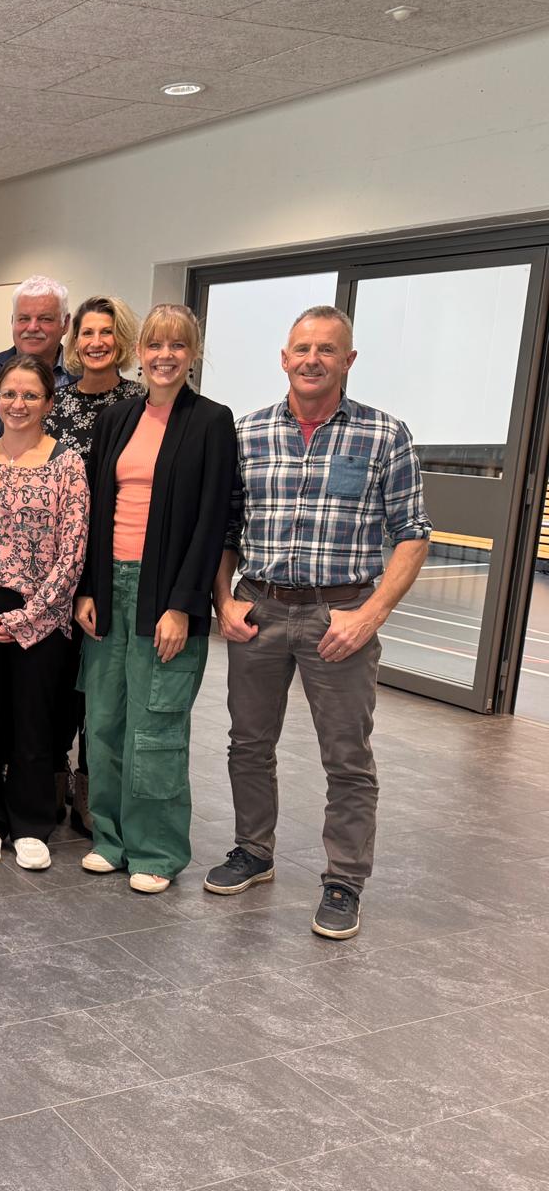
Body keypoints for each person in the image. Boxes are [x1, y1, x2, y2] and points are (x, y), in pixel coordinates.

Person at [206, 305, 431, 941]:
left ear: (348, 360)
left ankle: (344, 880)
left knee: (347, 756)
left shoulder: (384, 435)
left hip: (341, 614)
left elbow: (413, 534)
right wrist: (224, 600)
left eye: (327, 350)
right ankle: (254, 851)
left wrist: (370, 615)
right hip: (259, 608)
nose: (313, 360)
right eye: (302, 349)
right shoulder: (247, 432)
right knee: (249, 743)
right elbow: (226, 528)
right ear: (284, 358)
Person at [74, 304, 236, 894]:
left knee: (156, 728)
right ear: (138, 352)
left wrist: (183, 605)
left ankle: (156, 850)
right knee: (104, 722)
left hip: (165, 593)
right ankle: (110, 839)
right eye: (155, 345)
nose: (165, 355)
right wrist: (88, 588)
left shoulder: (212, 421)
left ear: (192, 354)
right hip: (109, 588)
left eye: (177, 345)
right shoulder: (116, 418)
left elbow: (213, 521)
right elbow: (96, 509)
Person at [0, 355, 88, 869]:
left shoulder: (68, 466)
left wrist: (26, 619)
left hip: (42, 617)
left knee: (34, 721)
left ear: (49, 403)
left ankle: (31, 823)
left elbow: (73, 553)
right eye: (10, 393)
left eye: (31, 394)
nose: (18, 403)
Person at [48, 295, 146, 837]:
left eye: (107, 332)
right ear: (74, 341)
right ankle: (53, 776)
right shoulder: (54, 404)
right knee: (59, 680)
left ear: (122, 340)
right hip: (55, 564)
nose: (96, 342)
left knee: (104, 688)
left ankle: (92, 787)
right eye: (87, 332)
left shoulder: (141, 405)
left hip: (114, 562)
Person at [0, 274, 76, 452]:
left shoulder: (86, 376)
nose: (33, 327)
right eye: (24, 318)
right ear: (13, 321)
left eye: (45, 319)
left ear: (65, 324)